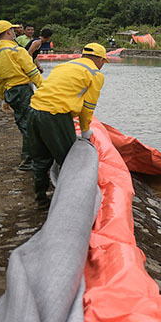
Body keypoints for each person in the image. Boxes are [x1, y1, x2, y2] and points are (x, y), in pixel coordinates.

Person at [27, 43, 107, 209]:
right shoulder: (94, 74)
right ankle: (71, 203)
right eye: (103, 61)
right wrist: (85, 131)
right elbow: (88, 107)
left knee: (40, 159)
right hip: (56, 115)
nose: (103, 65)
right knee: (70, 160)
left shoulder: (63, 66)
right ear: (99, 59)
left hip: (34, 110)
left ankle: (40, 199)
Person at [0, 19, 43, 170]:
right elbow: (32, 71)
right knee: (29, 124)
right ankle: (27, 160)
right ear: (8, 32)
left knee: (22, 121)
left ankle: (29, 156)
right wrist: (44, 88)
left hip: (10, 91)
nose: (15, 32)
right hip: (23, 90)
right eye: (13, 30)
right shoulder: (17, 51)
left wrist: (3, 98)